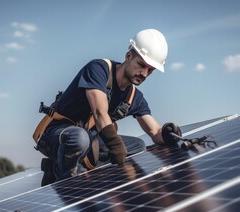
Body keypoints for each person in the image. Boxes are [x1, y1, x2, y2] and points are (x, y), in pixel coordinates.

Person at [34, 29, 182, 186]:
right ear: (128, 56)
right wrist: (115, 145)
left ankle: (89, 172)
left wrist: (167, 133)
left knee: (138, 146)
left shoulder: (134, 97)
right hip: (58, 134)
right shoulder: (98, 69)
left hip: (89, 138)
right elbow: (99, 113)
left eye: (150, 70)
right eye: (141, 65)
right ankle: (63, 178)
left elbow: (155, 131)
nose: (144, 73)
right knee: (80, 138)